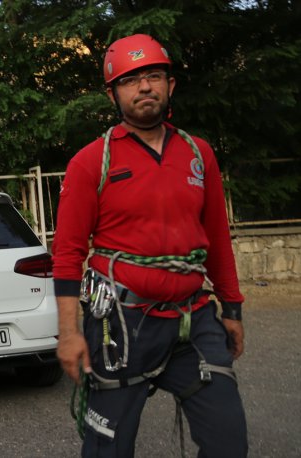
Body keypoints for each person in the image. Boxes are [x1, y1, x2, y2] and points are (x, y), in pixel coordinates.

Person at [52, 34, 248, 457]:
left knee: (228, 441)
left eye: (154, 76)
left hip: (194, 318)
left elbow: (216, 239)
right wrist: (68, 333)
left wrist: (231, 309)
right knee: (109, 450)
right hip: (119, 326)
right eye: (130, 80)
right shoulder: (91, 162)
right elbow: (67, 254)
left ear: (170, 85)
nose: (144, 87)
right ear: (113, 93)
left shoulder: (199, 155)